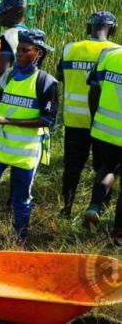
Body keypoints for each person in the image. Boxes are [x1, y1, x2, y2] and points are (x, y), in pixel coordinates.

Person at [0, 29, 58, 242]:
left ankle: (19, 237)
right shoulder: (8, 76)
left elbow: (47, 121)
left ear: (38, 54)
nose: (18, 54)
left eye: (24, 50)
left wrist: (6, 121)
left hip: (24, 153)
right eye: (18, 50)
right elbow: (0, 107)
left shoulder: (47, 83)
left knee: (21, 198)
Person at [57, 12, 118, 218]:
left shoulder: (70, 49)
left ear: (88, 27)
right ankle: (99, 208)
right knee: (104, 168)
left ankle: (66, 209)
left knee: (72, 168)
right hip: (102, 123)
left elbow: (61, 76)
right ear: (112, 28)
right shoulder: (114, 52)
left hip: (74, 120)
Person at [84, 42, 122, 243]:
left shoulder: (110, 54)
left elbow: (94, 91)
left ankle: (95, 206)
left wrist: (94, 120)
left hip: (105, 128)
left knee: (108, 167)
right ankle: (118, 232)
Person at [0, 0, 29, 81]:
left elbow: (2, 76)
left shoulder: (6, 37)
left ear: (17, 13)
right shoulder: (29, 34)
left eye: (4, 12)